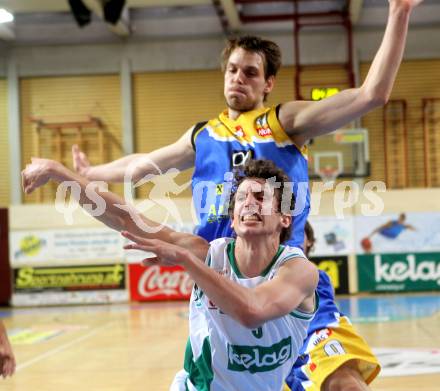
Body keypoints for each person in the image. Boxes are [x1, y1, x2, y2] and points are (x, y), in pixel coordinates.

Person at [69, 1, 422, 389]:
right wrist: (89, 173)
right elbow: (140, 165)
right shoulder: (203, 135)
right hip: (220, 278)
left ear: (268, 83)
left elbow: (371, 95)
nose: (238, 78)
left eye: (250, 72)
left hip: (282, 276)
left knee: (344, 383)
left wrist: (398, 13)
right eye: (232, 70)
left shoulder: (285, 123)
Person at [22, 158, 319, 391]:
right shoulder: (210, 254)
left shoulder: (298, 271)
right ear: (232, 218)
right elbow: (124, 216)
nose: (249, 203)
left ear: (284, 217)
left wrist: (185, 260)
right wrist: (58, 172)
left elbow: (252, 310)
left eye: (260, 196)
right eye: (242, 198)